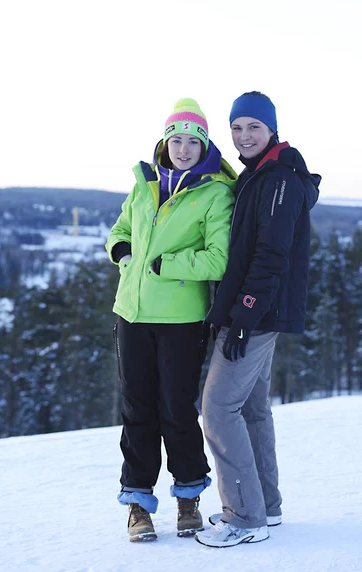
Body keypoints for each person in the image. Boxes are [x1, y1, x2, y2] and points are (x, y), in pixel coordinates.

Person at [105, 98, 237, 542]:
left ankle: (187, 497)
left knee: (177, 409)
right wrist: (123, 255)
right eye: (176, 139)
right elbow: (120, 231)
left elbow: (219, 259)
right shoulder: (143, 185)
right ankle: (138, 503)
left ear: (204, 146)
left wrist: (166, 264)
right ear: (164, 143)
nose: (183, 148)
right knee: (136, 408)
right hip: (132, 313)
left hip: (182, 319)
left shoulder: (215, 193)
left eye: (192, 141)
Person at [195, 91, 321, 548]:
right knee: (250, 409)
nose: (243, 136)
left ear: (271, 130)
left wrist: (245, 314)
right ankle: (266, 504)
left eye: (253, 127)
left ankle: (245, 516)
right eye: (236, 127)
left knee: (218, 409)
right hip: (258, 310)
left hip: (257, 313)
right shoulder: (262, 174)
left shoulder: (277, 178)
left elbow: (272, 255)